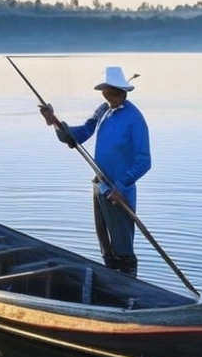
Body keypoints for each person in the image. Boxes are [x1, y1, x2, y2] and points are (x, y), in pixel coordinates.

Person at [40, 66, 151, 277]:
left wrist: (120, 186)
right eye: (108, 91)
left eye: (114, 91)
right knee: (105, 245)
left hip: (119, 192)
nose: (109, 94)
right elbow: (79, 135)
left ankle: (129, 286)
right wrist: (53, 121)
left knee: (122, 247)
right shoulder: (103, 110)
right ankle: (111, 283)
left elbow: (144, 161)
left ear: (122, 91)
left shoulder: (135, 119)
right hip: (99, 186)